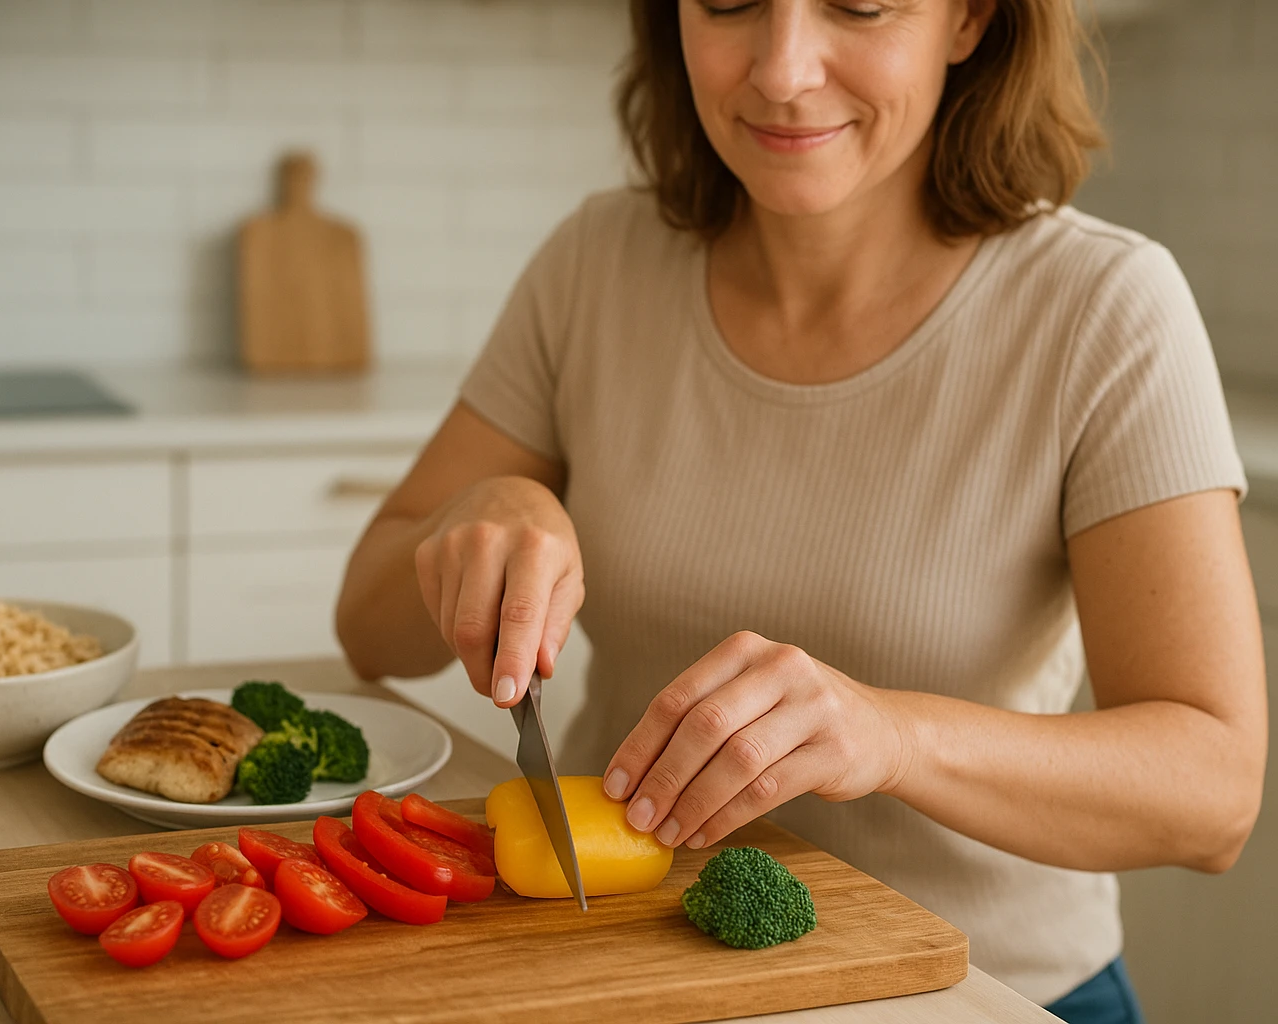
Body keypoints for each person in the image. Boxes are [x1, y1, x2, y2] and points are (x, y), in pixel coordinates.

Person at [335, 2, 1268, 1020]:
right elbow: (366, 624)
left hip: (981, 990)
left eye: (859, 4)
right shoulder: (595, 262)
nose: (781, 71)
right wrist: (483, 506)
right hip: (633, 974)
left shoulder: (1106, 305)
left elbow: (1212, 794)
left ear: (968, 19)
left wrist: (893, 737)